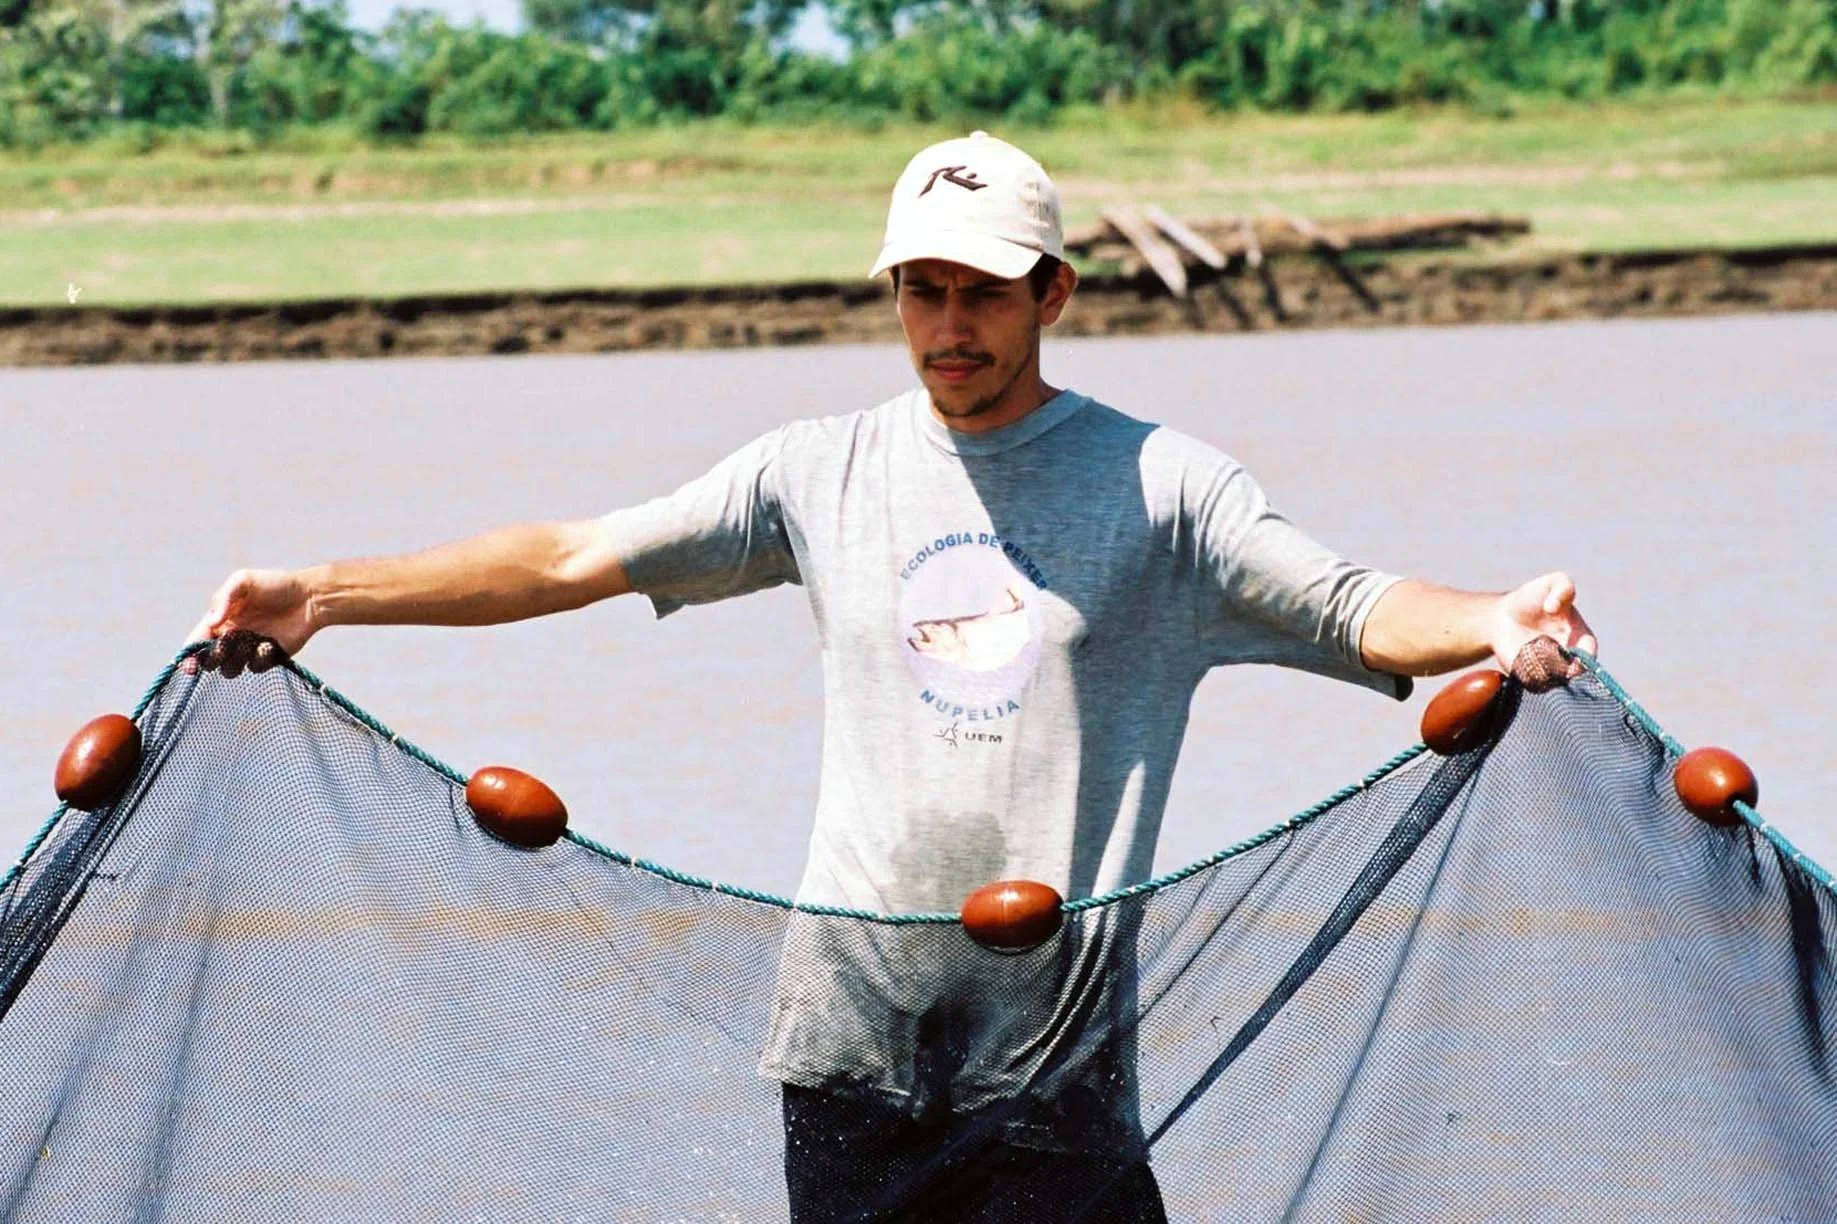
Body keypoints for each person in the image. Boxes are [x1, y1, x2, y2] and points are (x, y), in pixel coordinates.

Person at [188, 132, 1596, 1222]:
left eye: (982, 290)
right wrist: (327, 595)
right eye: (921, 290)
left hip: (1052, 1059)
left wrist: (1491, 619)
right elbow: (567, 559)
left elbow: (1355, 607)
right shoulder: (819, 470)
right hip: (848, 1045)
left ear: (1054, 291)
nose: (948, 326)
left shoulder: (1167, 491)